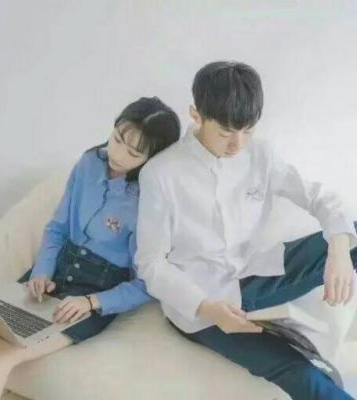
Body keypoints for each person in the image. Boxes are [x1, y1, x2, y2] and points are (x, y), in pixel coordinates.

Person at [135, 61, 357, 399]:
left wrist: (338, 252)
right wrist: (207, 308)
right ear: (196, 115)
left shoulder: (261, 155)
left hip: (256, 273)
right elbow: (151, 264)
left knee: (351, 235)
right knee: (300, 372)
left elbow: (318, 197)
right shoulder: (161, 174)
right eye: (225, 133)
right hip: (205, 303)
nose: (237, 144)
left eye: (247, 131)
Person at [0, 96, 180, 400]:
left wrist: (91, 302)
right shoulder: (89, 164)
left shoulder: (149, 201)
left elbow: (147, 283)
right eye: (117, 139)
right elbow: (58, 227)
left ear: (152, 159)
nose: (117, 154)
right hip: (53, 275)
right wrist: (42, 272)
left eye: (133, 153)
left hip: (91, 295)